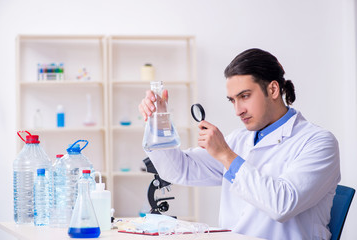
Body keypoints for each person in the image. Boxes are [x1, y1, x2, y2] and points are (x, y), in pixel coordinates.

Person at [138, 48, 340, 240]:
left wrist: (226, 155)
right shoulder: (239, 139)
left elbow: (283, 204)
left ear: (273, 89)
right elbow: (180, 169)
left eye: (244, 96)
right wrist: (160, 123)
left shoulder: (318, 142)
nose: (238, 110)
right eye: (232, 100)